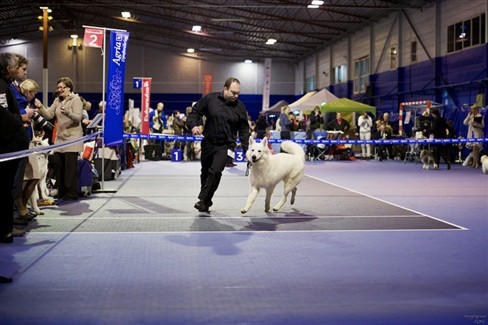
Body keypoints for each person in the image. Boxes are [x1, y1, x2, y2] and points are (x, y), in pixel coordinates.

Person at [186, 77, 250, 212]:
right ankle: (206, 202)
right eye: (233, 92)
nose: (236, 95)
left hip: (226, 146)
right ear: (225, 88)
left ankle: (202, 198)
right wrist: (194, 125)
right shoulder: (210, 99)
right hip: (208, 143)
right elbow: (195, 112)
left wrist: (247, 151)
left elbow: (244, 131)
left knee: (215, 171)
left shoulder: (240, 108)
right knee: (205, 172)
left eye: (238, 93)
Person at [37, 77, 83, 200]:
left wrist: (68, 113)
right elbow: (49, 115)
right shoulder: (57, 100)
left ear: (69, 88)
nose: (59, 90)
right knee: (58, 166)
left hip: (73, 138)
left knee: (69, 169)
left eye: (62, 87)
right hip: (60, 139)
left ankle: (71, 193)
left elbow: (78, 118)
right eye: (58, 87)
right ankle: (62, 192)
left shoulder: (76, 99)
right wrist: (41, 107)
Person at [0, 52, 30, 243]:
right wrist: (20, 123)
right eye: (16, 67)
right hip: (7, 145)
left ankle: (7, 226)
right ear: (8, 69)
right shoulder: (2, 86)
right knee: (5, 188)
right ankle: (5, 230)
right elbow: (3, 114)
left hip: (10, 143)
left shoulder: (6, 85)